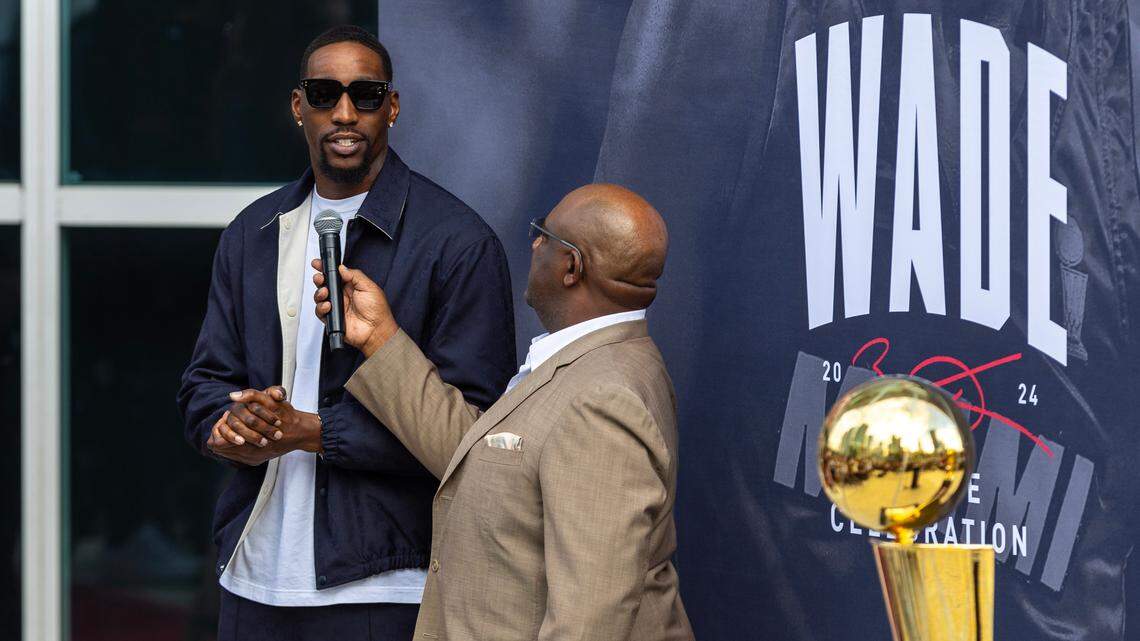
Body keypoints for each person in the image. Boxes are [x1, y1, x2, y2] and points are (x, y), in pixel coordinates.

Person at [176, 25, 516, 641]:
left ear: (393, 107)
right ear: (297, 106)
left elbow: (476, 431)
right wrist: (228, 428)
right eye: (325, 93)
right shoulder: (253, 232)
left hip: (381, 583)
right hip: (252, 577)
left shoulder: (458, 243)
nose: (344, 113)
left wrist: (312, 432)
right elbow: (206, 382)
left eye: (365, 95)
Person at [313, 183, 694, 641]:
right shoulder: (598, 362)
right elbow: (477, 459)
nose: (533, 244)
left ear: (571, 267)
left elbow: (590, 622)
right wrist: (378, 338)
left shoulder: (603, 398)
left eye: (543, 235)